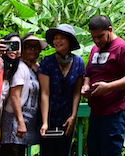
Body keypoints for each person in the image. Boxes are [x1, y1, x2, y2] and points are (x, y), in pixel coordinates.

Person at [83, 15, 125, 156]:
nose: (97, 41)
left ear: (110, 29)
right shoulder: (94, 50)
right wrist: (85, 86)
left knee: (111, 151)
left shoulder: (123, 48)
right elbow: (88, 73)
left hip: (115, 112)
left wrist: (108, 87)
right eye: (93, 37)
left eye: (100, 37)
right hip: (96, 112)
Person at [39, 24, 87, 156]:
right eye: (55, 38)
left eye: (61, 38)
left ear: (69, 41)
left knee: (64, 151)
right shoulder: (47, 62)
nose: (57, 41)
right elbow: (45, 93)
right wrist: (44, 122)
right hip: (48, 117)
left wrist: (73, 116)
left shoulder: (79, 62)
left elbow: (77, 93)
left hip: (67, 118)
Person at [1, 35, 44, 156]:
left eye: (36, 47)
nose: (33, 50)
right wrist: (20, 122)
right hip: (15, 121)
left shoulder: (31, 69)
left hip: (26, 120)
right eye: (29, 47)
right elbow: (15, 95)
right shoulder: (20, 67)